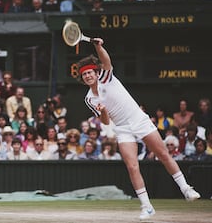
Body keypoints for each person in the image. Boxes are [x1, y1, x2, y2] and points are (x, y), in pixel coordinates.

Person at [76, 37, 200, 220]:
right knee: (132, 166)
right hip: (123, 128)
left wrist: (97, 46)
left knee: (163, 154)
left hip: (139, 120)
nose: (88, 76)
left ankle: (186, 188)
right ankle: (147, 206)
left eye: (90, 73)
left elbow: (106, 61)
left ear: (96, 73)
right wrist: (103, 111)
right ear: (83, 78)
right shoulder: (89, 99)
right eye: (84, 75)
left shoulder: (105, 77)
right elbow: (106, 122)